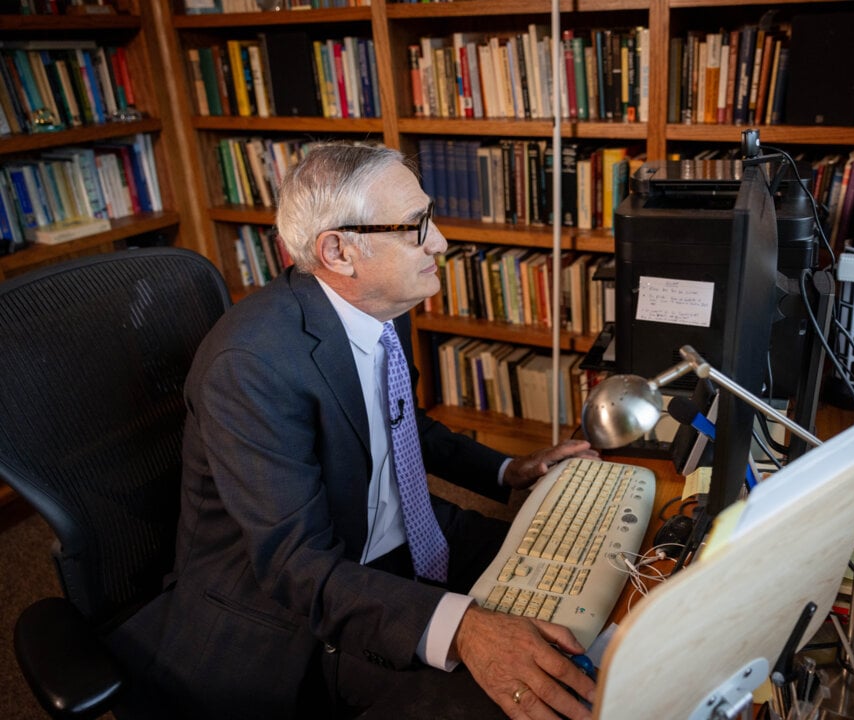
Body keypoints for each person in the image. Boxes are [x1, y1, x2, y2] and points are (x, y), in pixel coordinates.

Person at [109, 142, 600, 720]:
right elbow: (296, 566)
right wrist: (463, 627)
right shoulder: (251, 367)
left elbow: (400, 421)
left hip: (397, 541)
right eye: (417, 226)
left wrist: (503, 469)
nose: (439, 241)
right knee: (515, 700)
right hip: (287, 612)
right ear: (339, 252)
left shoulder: (375, 302)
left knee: (587, 573)